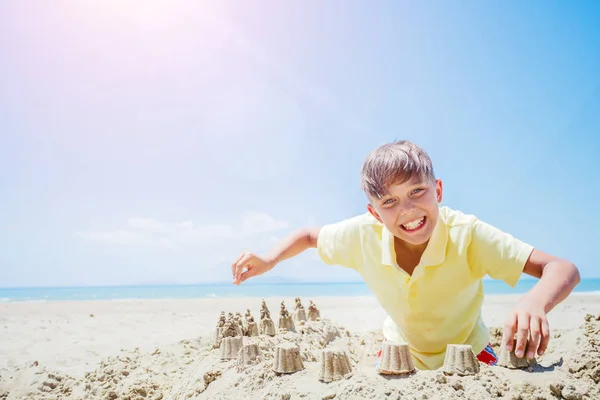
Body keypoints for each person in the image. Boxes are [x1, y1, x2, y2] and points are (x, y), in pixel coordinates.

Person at [231, 140, 580, 370]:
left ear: (438, 190)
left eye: (417, 191)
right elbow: (308, 236)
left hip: (471, 352)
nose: (408, 210)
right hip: (400, 352)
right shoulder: (361, 235)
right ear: (374, 214)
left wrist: (534, 302)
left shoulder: (468, 234)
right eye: (389, 201)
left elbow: (561, 268)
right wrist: (269, 259)